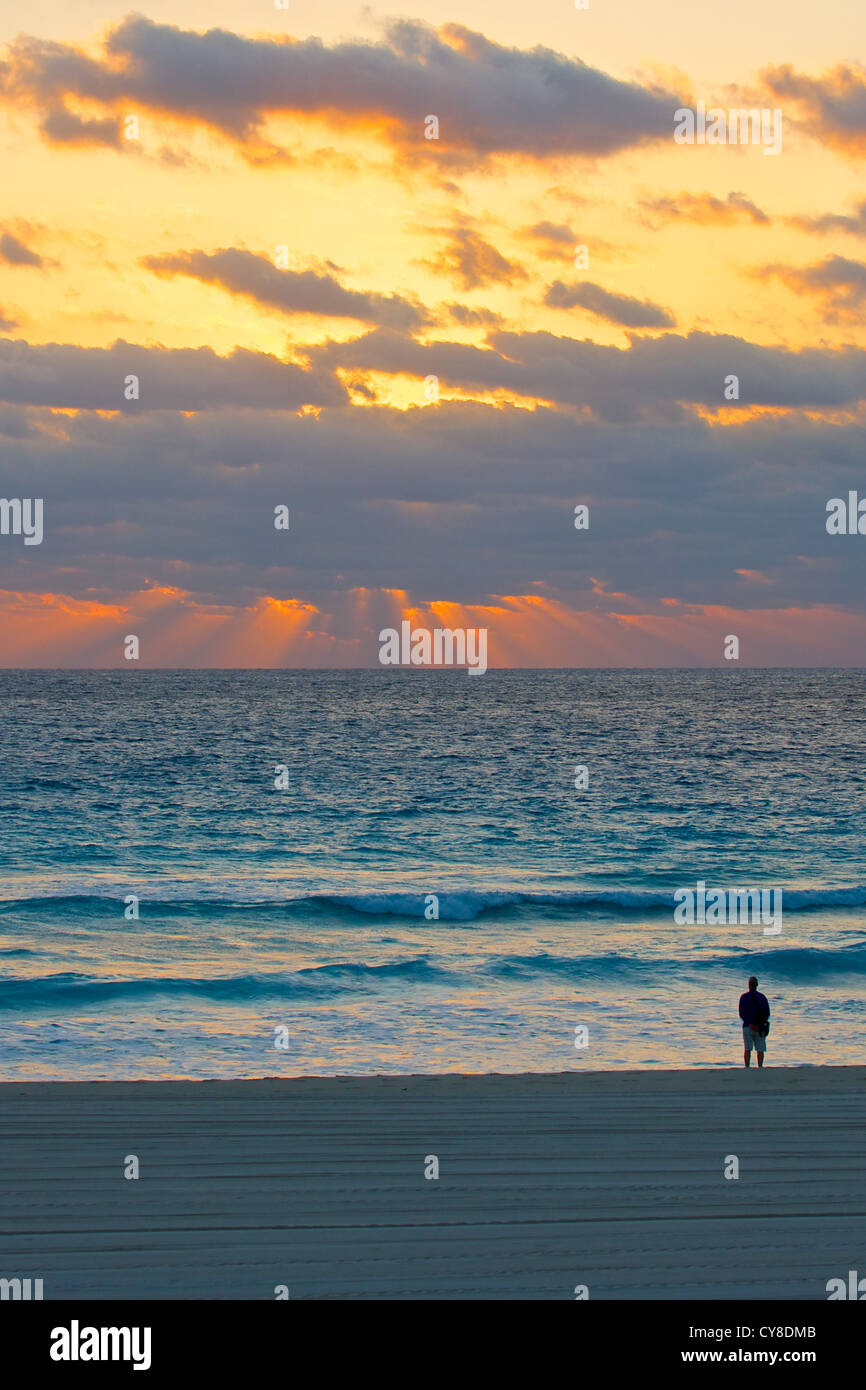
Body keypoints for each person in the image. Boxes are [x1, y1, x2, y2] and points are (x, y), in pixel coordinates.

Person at [739, 975, 770, 1067]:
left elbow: (741, 1013)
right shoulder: (762, 997)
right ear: (757, 985)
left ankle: (747, 1067)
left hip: (748, 1026)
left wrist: (750, 1023)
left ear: (749, 985)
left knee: (747, 1048)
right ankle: (760, 1066)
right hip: (760, 1027)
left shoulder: (744, 997)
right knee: (760, 1049)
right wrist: (759, 1025)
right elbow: (767, 1013)